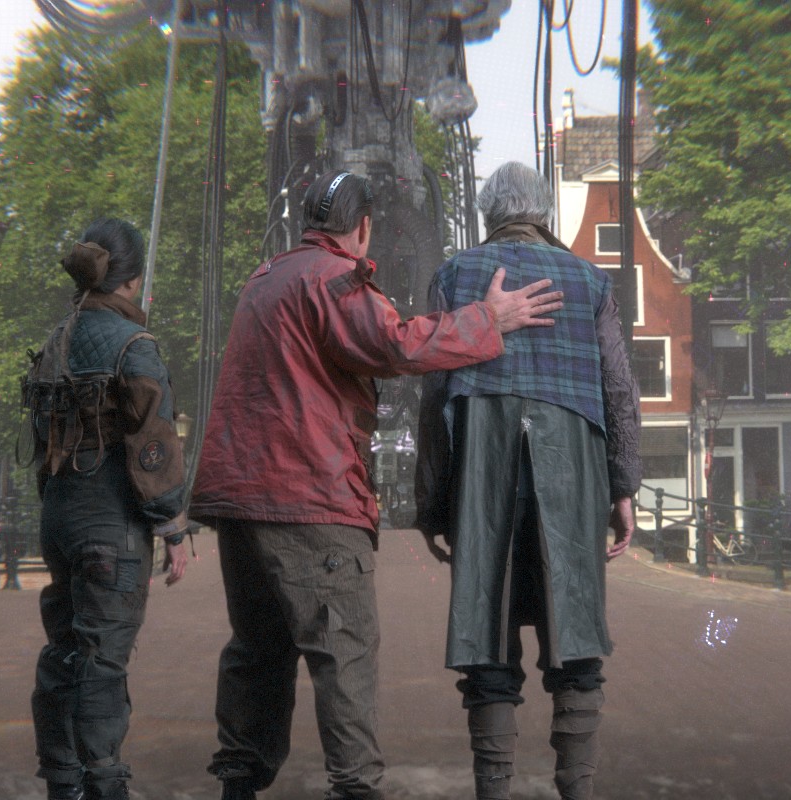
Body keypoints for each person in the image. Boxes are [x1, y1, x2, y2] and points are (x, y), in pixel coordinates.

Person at [190, 170, 565, 800]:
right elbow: (395, 346)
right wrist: (489, 318)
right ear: (363, 228)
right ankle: (356, 788)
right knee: (345, 653)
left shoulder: (265, 277)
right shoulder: (335, 279)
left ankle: (239, 783)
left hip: (241, 501)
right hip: (310, 498)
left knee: (257, 651)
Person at [413, 162, 641, 800]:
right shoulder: (589, 280)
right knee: (576, 634)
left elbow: (433, 398)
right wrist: (622, 486)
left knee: (487, 632)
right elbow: (619, 389)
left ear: (488, 213)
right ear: (544, 213)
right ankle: (577, 788)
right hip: (573, 472)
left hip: (481, 472)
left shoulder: (455, 275)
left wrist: (433, 504)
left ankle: (494, 789)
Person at [22, 218, 192, 800]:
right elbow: (153, 444)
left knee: (64, 650)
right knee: (102, 661)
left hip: (58, 516)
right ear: (133, 280)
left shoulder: (55, 340)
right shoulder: (134, 346)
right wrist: (173, 528)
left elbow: (41, 437)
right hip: (109, 523)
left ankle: (62, 781)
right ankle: (103, 784)